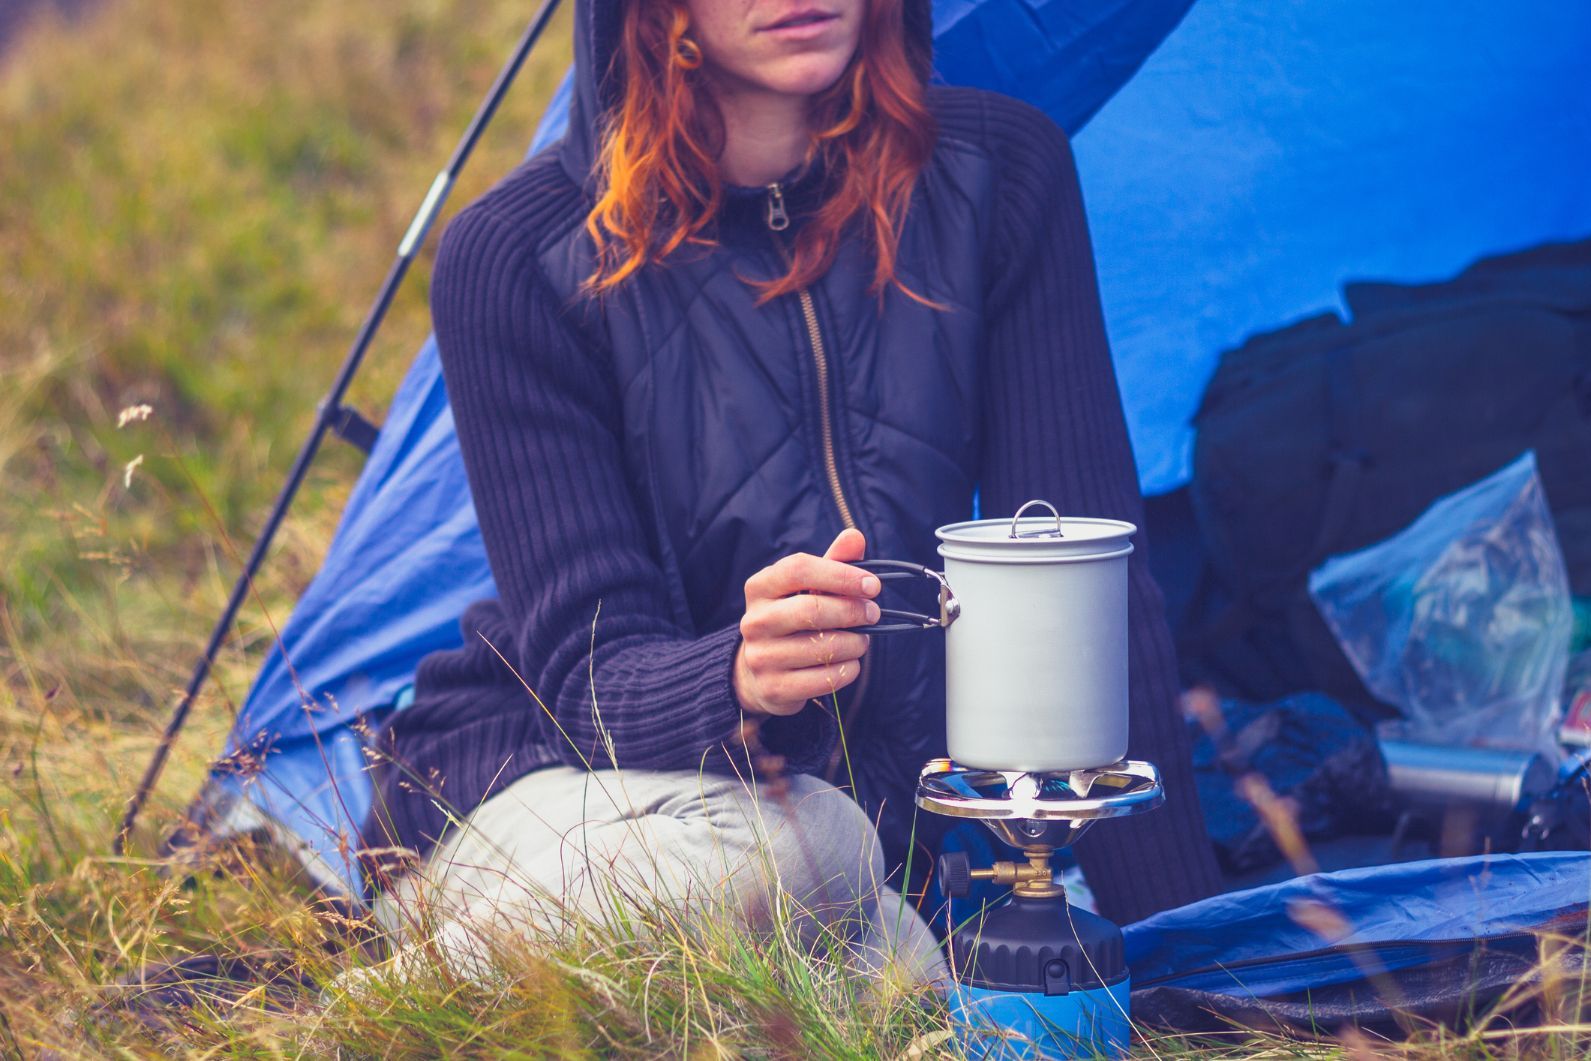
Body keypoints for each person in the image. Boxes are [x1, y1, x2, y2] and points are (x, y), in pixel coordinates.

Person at [360, 0, 1221, 982]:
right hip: (546, 784)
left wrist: (1185, 953)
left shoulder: (996, 177)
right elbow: (586, 670)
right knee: (804, 850)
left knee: (909, 961)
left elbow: (1091, 592)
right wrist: (735, 671)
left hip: (860, 857)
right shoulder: (521, 252)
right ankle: (384, 995)